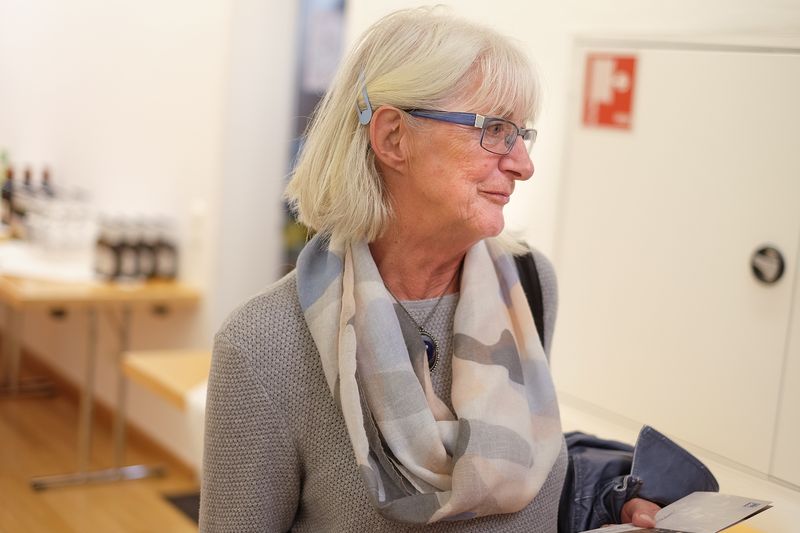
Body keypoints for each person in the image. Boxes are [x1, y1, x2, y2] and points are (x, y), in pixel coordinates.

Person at [200, 6, 660, 532]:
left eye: (521, 134)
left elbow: (523, 472)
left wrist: (609, 502)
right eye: (494, 129)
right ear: (393, 138)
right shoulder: (263, 344)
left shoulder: (528, 284)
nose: (523, 165)